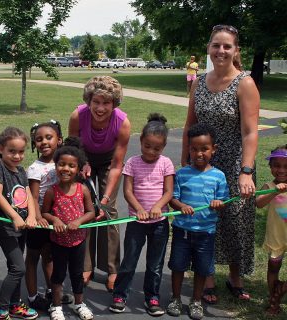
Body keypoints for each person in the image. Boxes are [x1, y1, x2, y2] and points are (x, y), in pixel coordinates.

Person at [181, 24, 260, 303]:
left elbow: (250, 132)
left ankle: (235, 277)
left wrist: (246, 171)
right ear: (208, 49)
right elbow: (189, 126)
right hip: (201, 163)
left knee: (236, 221)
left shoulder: (245, 83)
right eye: (216, 45)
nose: (221, 51)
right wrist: (183, 166)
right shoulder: (199, 82)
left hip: (235, 163)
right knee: (205, 219)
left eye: (227, 46)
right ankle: (209, 276)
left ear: (236, 51)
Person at [68, 75, 131, 291]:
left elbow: (117, 165)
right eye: (96, 101)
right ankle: (86, 265)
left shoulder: (122, 123)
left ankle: (112, 268)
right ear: (89, 101)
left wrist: (104, 198)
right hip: (84, 159)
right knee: (84, 209)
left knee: (107, 210)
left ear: (114, 103)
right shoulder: (78, 116)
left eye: (106, 102)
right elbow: (72, 150)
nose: (101, 108)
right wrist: (81, 164)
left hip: (108, 162)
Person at [109, 114, 174, 317]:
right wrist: (139, 209)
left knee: (155, 264)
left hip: (160, 223)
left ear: (162, 147)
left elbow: (169, 192)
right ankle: (120, 294)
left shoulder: (166, 163)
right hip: (136, 222)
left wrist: (157, 207)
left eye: (156, 148)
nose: (151, 151)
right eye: (147, 146)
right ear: (141, 141)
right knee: (129, 260)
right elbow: (127, 191)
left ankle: (152, 297)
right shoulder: (132, 163)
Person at [167, 123, 229, 320]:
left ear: (213, 149)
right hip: (182, 230)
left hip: (206, 232)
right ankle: (176, 298)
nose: (199, 153)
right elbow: (172, 198)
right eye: (194, 149)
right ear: (189, 149)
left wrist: (220, 203)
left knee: (202, 268)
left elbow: (224, 201)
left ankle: (195, 301)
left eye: (204, 149)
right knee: (178, 266)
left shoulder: (219, 176)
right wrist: (180, 206)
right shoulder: (182, 173)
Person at [41, 137, 95, 320]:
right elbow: (44, 213)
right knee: (58, 275)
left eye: (71, 166)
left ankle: (79, 304)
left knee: (77, 274)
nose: (66, 169)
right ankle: (56, 307)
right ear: (55, 166)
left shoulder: (83, 189)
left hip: (78, 240)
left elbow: (91, 212)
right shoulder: (51, 191)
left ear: (78, 169)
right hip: (58, 242)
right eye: (61, 164)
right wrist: (54, 219)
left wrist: (79, 221)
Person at [0, 127, 38, 320]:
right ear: (1, 149)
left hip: (22, 227)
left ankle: (15, 305)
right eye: (12, 151)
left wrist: (31, 216)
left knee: (14, 268)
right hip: (7, 228)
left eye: (21, 152)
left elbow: (29, 196)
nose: (17, 156)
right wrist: (15, 217)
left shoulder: (21, 171)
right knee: (19, 268)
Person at [25, 120, 63, 311]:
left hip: (54, 219)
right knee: (32, 257)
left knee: (49, 256)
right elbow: (32, 196)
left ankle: (51, 290)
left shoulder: (63, 163)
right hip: (38, 220)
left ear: (59, 140)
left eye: (49, 137)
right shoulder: (35, 168)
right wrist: (37, 217)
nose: (44, 142)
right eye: (39, 139)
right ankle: (32, 296)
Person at [255, 145, 287, 315]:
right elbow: (259, 203)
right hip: (276, 236)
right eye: (276, 165)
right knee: (273, 269)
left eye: (286, 166)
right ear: (270, 167)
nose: (281, 170)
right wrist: (275, 191)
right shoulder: (269, 185)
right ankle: (273, 301)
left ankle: (280, 289)